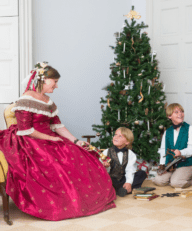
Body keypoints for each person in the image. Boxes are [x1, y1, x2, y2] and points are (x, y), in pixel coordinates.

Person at [0, 62, 116, 221]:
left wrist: (76, 140)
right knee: (52, 165)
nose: (56, 86)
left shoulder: (48, 101)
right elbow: (25, 130)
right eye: (54, 81)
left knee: (78, 155)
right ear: (44, 80)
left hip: (49, 137)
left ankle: (81, 200)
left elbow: (58, 126)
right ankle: (61, 205)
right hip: (29, 140)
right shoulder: (26, 99)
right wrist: (50, 138)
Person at [153, 103, 192, 188]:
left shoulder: (190, 129)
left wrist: (181, 152)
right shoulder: (167, 132)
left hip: (186, 163)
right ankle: (175, 175)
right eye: (176, 112)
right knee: (158, 180)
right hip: (171, 164)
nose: (180, 114)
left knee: (176, 183)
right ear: (169, 116)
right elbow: (163, 149)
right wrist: (162, 164)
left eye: (181, 111)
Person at [102, 127, 147, 197]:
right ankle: (122, 189)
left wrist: (128, 182)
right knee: (105, 179)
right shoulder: (106, 151)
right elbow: (101, 170)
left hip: (123, 178)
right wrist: (106, 166)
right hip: (111, 178)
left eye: (120, 136)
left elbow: (130, 170)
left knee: (141, 173)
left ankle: (125, 188)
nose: (116, 137)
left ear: (127, 142)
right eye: (115, 135)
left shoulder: (130, 154)